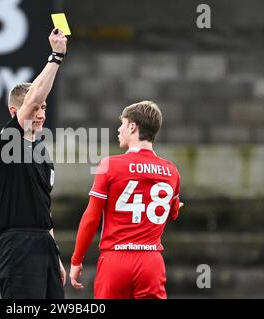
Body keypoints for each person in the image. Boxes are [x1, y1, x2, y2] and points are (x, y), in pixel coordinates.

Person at [69, 101, 183, 299]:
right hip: (151, 262)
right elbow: (171, 213)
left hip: (116, 259)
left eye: (122, 123)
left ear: (132, 127)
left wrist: (76, 259)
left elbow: (91, 217)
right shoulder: (171, 171)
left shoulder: (109, 165)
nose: (119, 129)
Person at [0, 29, 67, 299]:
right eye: (36, 109)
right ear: (15, 113)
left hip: (43, 243)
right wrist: (56, 56)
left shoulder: (42, 153)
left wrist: (54, 251)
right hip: (18, 244)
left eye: (44, 108)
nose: (41, 113)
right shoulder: (6, 142)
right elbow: (32, 97)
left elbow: (44, 207)